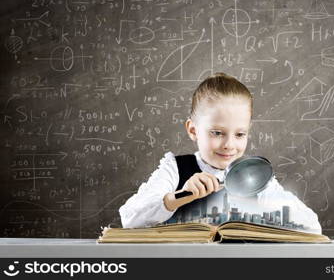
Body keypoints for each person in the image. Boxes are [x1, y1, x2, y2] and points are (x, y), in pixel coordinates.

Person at [119, 73, 322, 234]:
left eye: (240, 134)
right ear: (193, 130)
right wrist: (178, 197)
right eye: (217, 133)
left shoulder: (256, 177)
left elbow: (312, 227)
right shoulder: (175, 168)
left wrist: (266, 198)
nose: (229, 145)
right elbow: (129, 219)